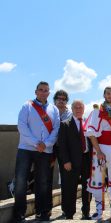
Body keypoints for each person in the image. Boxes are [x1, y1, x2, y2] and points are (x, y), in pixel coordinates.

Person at [14, 81, 60, 222]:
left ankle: (42, 212)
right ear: (36, 92)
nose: (43, 92)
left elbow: (56, 130)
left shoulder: (54, 109)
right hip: (26, 148)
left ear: (49, 93)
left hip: (45, 150)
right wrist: (35, 143)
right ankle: (19, 214)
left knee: (43, 182)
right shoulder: (27, 106)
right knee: (21, 181)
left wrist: (45, 144)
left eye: (46, 90)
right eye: (41, 90)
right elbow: (22, 126)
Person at [85, 86, 111, 220]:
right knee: (97, 178)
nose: (110, 95)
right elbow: (91, 134)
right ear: (104, 95)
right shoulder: (97, 111)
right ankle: (99, 210)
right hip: (101, 147)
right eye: (108, 93)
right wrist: (99, 151)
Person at [58, 100, 92, 219]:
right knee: (70, 187)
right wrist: (66, 161)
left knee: (87, 187)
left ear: (83, 109)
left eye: (80, 107)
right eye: (76, 107)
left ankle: (86, 212)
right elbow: (62, 145)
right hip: (71, 161)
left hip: (87, 159)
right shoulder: (65, 124)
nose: (78, 109)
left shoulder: (88, 123)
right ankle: (69, 213)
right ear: (72, 109)